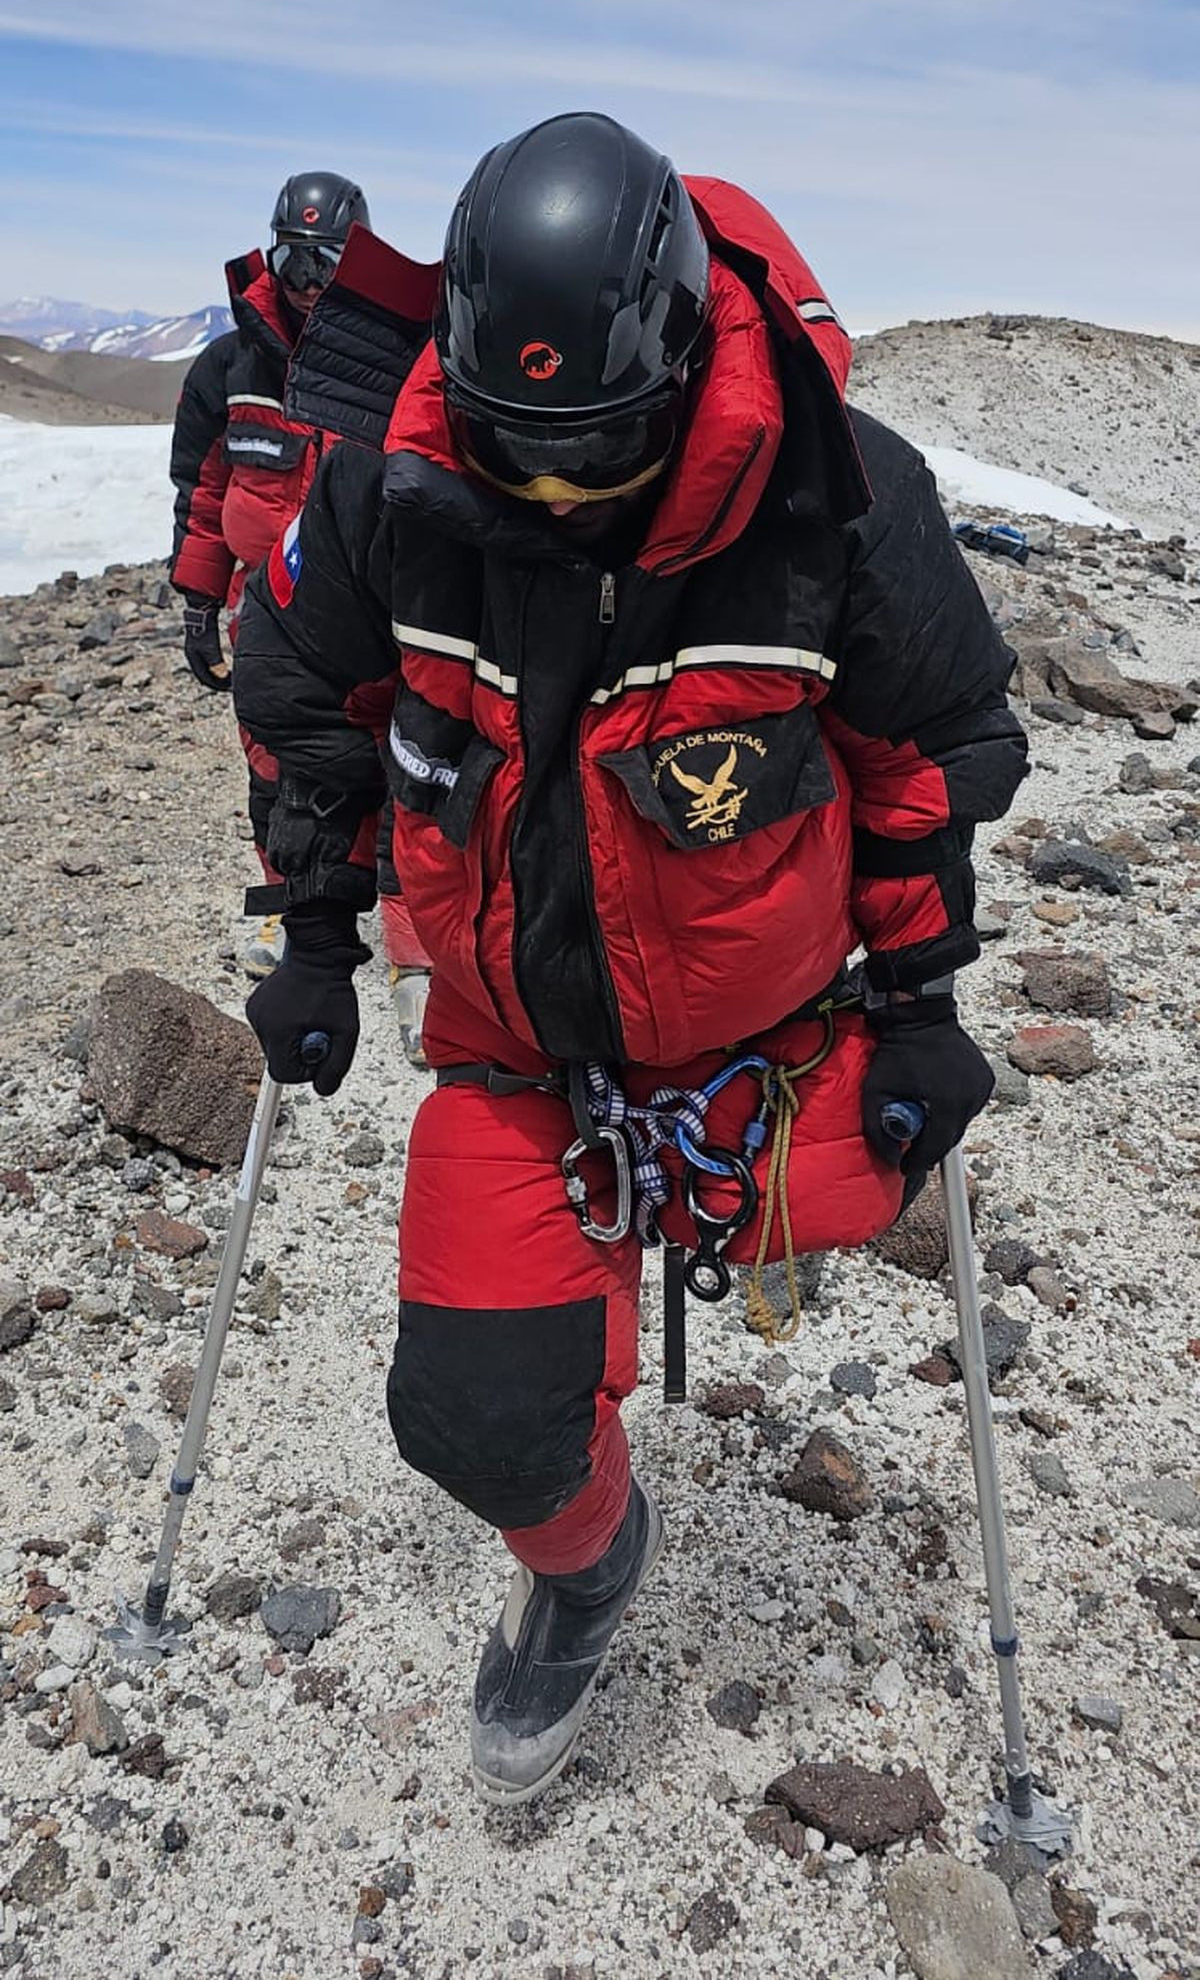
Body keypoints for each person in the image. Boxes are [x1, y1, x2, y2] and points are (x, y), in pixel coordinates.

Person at [233, 112, 1027, 1804]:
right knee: (471, 1415)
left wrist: (928, 1001)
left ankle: (742, 1223)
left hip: (776, 1040)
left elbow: (929, 755)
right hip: (519, 1051)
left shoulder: (837, 491)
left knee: (874, 1184)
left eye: (594, 448)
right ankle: (590, 1561)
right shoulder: (390, 485)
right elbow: (309, 716)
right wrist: (313, 936)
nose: (554, 491)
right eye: (521, 448)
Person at [168, 169, 432, 1045]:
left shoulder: (391, 360)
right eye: (293, 258)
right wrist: (200, 600)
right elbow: (204, 493)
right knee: (278, 771)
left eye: (327, 262)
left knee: (405, 772)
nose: (307, 280)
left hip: (373, 609)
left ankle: (417, 953)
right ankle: (298, 923)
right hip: (270, 612)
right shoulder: (232, 366)